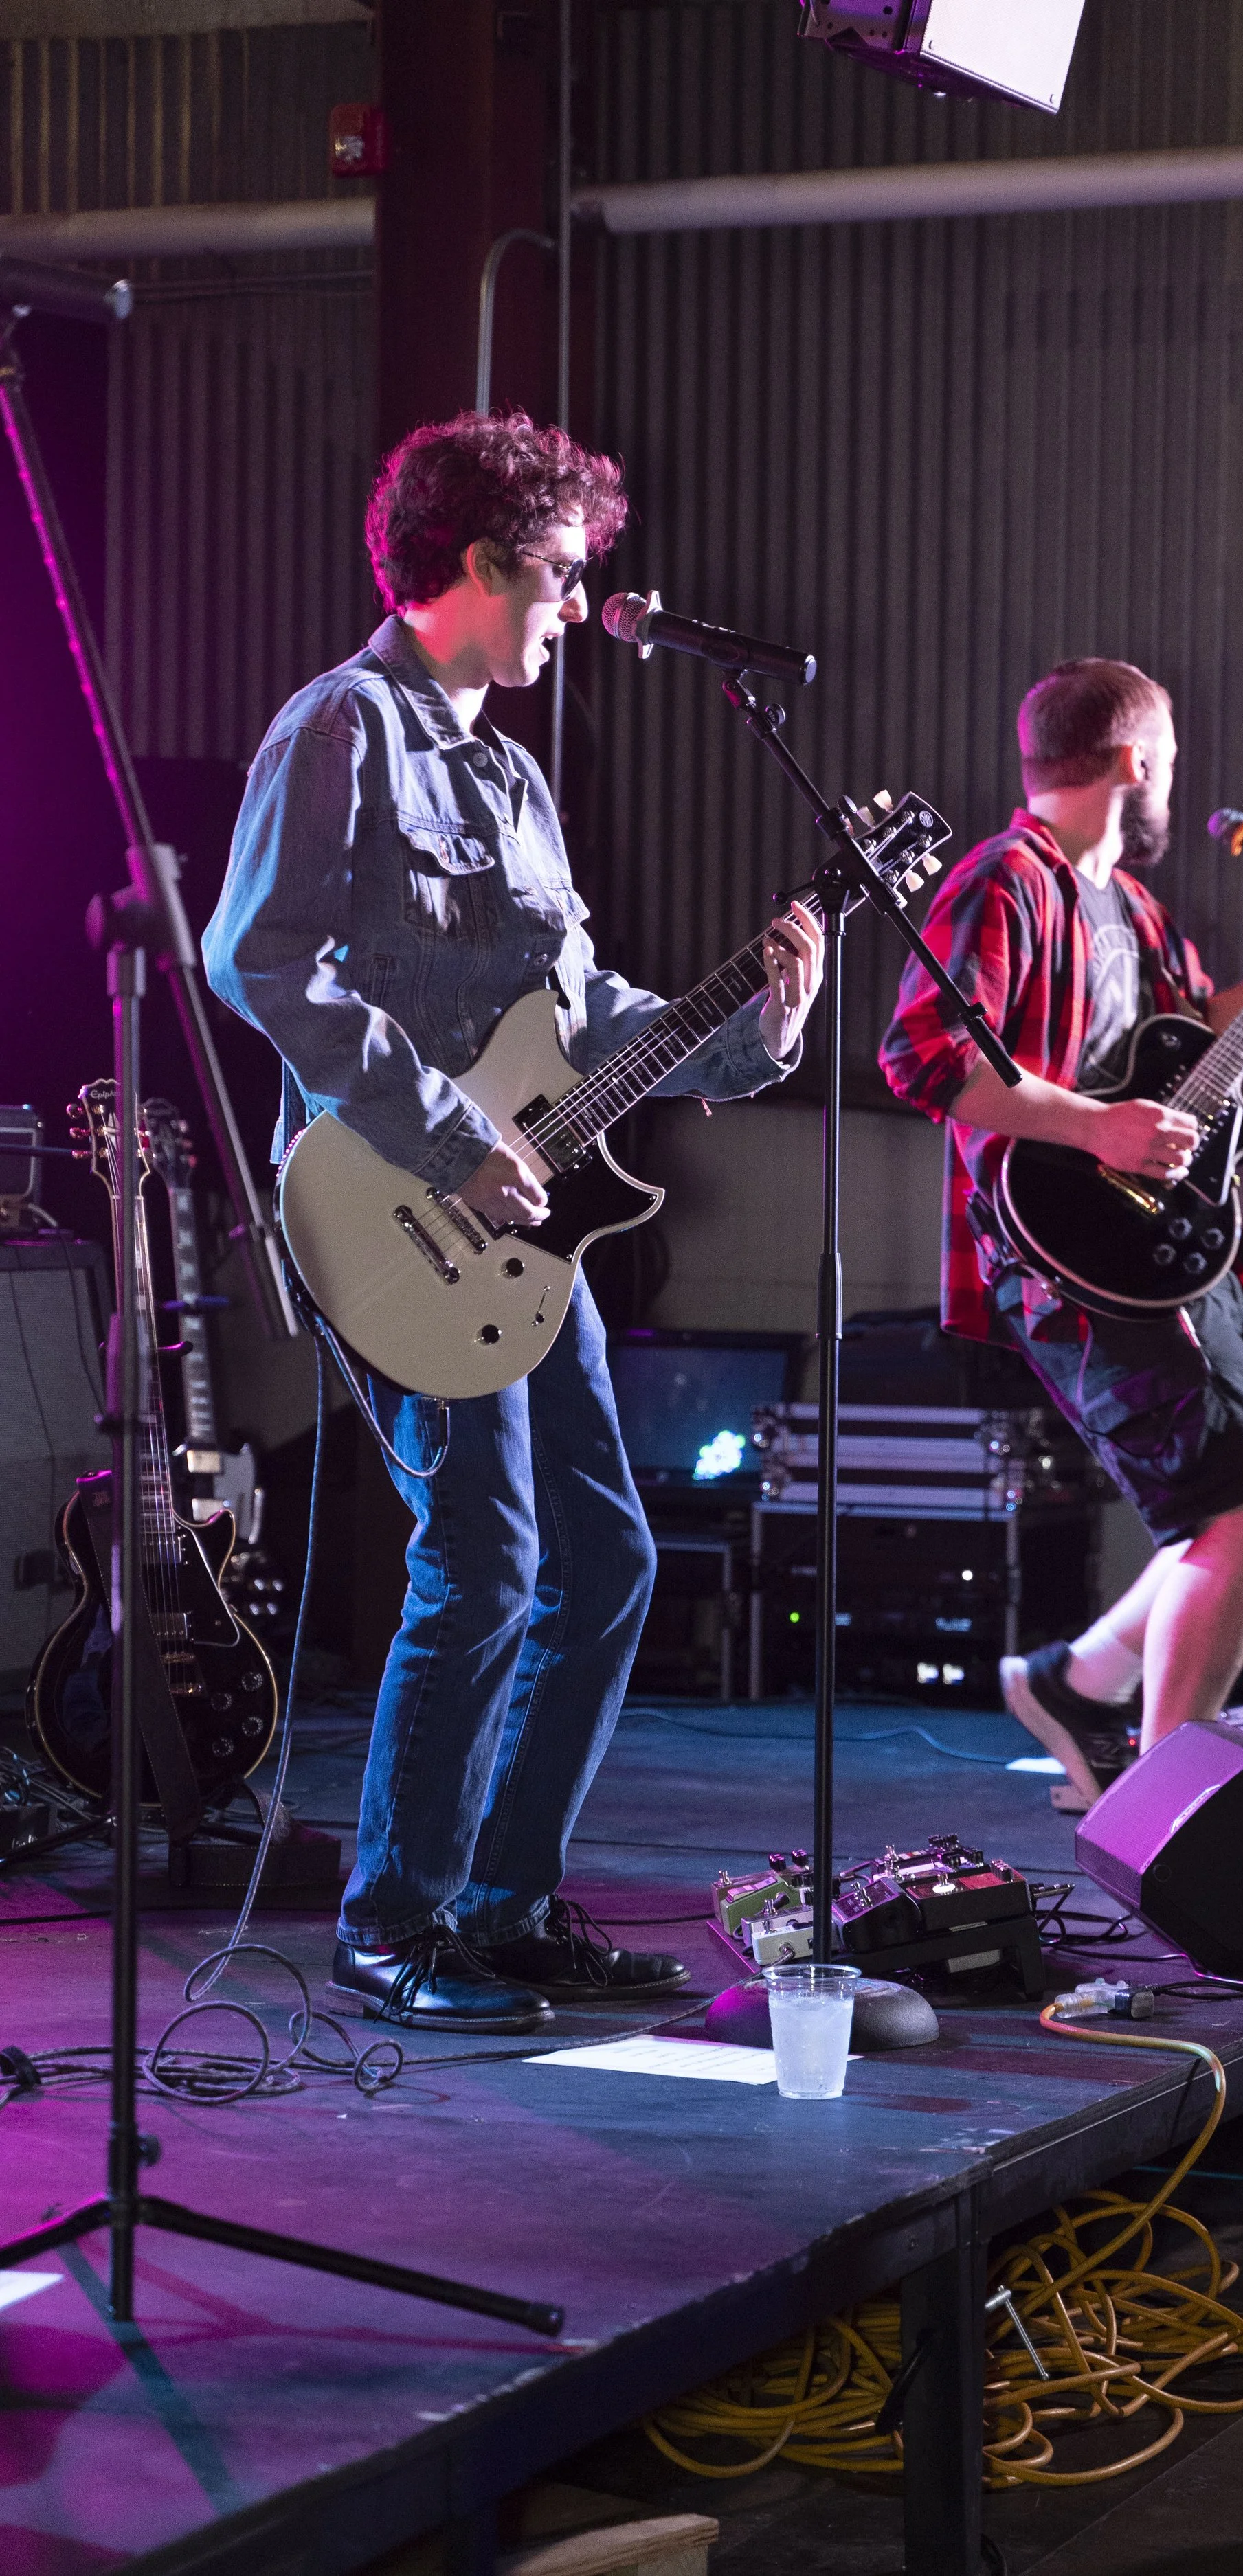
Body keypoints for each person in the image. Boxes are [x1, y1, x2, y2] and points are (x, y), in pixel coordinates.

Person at [204, 411, 823, 2030]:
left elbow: (580, 1006)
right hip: (396, 1204)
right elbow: (258, 961)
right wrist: (448, 1132)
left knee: (605, 1557)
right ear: (475, 563)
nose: (572, 611)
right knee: (482, 1558)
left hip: (523, 1226)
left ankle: (506, 1901)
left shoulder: (516, 769)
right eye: (557, 578)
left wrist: (756, 1023)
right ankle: (389, 1923)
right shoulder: (340, 726)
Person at [880, 658, 1243, 1811]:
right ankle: (1167, 1816)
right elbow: (923, 1055)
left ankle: (1082, 1679)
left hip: (1175, 1242)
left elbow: (1196, 1034)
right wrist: (1097, 1127)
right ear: (1138, 760)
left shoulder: (1137, 907)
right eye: (1167, 761)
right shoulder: (1006, 878)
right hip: (1071, 1255)